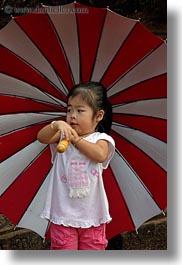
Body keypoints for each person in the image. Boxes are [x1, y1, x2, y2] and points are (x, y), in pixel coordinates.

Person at [37, 82, 115, 250]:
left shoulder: (100, 139)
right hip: (63, 213)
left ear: (99, 115)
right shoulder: (62, 136)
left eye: (80, 111)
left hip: (92, 215)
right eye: (69, 109)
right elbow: (41, 137)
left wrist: (77, 140)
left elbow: (100, 155)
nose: (72, 115)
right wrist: (55, 125)